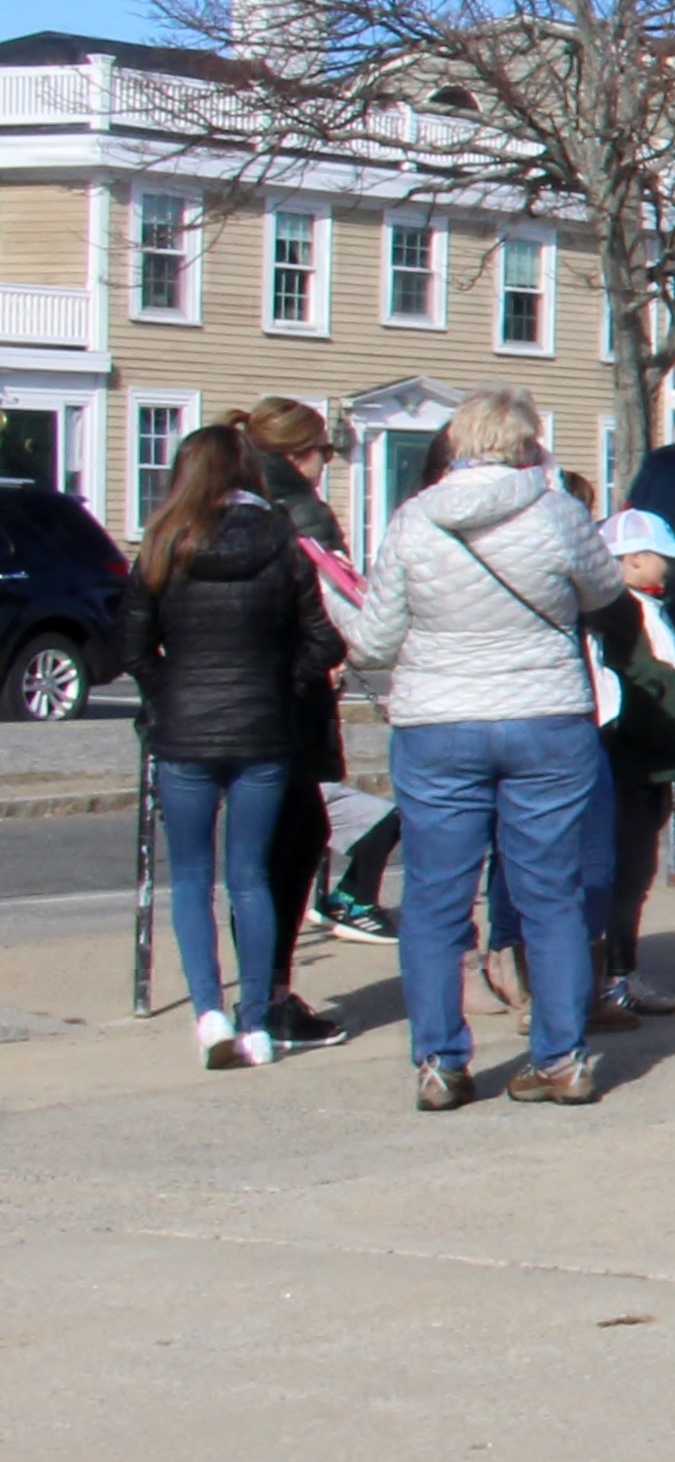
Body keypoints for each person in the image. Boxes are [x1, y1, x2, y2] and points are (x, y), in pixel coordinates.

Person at [343, 388, 625, 1110]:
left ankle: (440, 1062)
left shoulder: (414, 518)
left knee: (435, 899)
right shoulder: (557, 511)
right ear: (529, 444)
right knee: (550, 894)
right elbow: (605, 590)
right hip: (545, 712)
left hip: (439, 719)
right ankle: (560, 1057)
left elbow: (374, 641)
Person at [130, 424, 347, 1070]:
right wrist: (282, 685)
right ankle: (258, 1022)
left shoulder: (163, 542)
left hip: (185, 732)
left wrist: (168, 693)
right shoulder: (280, 539)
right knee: (250, 878)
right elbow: (324, 640)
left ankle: (209, 1014)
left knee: (192, 878)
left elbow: (132, 647)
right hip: (262, 728)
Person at [232, 398, 359, 1044]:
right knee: (293, 842)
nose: (325, 465)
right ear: (296, 454)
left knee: (253, 854)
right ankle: (269, 996)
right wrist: (321, 660)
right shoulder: (300, 512)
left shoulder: (217, 502)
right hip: (291, 697)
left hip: (228, 697)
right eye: (323, 452)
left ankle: (257, 993)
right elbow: (335, 610)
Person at [587, 511, 675, 1022]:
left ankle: (618, 972)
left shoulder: (648, 609)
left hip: (648, 767)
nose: (670, 566)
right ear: (633, 560)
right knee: (624, 875)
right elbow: (636, 690)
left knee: (634, 873)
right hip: (630, 766)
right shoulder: (623, 614)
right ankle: (614, 977)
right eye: (661, 556)